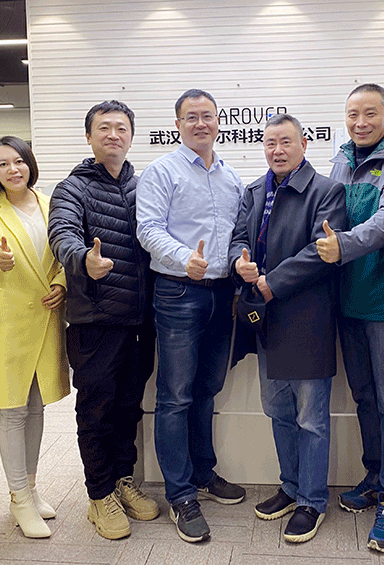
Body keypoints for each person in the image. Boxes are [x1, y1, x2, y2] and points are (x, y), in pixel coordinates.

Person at [316, 84, 384, 553]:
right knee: (364, 395)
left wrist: (341, 245)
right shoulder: (341, 158)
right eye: (352, 114)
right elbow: (327, 215)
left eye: (370, 114)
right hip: (348, 296)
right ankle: (376, 475)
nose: (360, 122)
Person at [229, 114, 346, 543]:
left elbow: (322, 251)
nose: (277, 151)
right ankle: (291, 486)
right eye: (270, 143)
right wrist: (239, 261)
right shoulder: (254, 191)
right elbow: (239, 238)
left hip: (307, 319)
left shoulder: (327, 191)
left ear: (303, 145)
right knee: (277, 410)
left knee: (310, 418)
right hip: (266, 320)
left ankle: (312, 501)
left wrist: (271, 282)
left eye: (286, 142)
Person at [137, 89, 245, 543]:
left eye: (208, 116)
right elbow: (148, 229)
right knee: (176, 396)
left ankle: (203, 473)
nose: (201, 124)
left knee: (207, 389)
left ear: (219, 121)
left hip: (222, 293)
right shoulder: (162, 171)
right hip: (179, 291)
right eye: (191, 117)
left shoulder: (231, 176)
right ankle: (180, 494)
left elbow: (238, 233)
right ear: (178, 124)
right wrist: (185, 258)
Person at [48, 101, 159, 541]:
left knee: (129, 407)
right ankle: (99, 495)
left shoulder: (144, 185)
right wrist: (82, 260)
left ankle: (122, 480)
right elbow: (62, 234)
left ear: (131, 135)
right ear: (89, 136)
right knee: (96, 411)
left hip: (139, 322)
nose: (113, 134)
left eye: (121, 128)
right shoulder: (72, 188)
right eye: (104, 128)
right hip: (94, 322)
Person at [0, 136, 70, 538]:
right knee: (14, 410)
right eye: (3, 164)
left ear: (30, 163)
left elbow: (65, 251)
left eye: (18, 161)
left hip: (46, 318)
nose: (13, 169)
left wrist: (62, 282)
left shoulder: (51, 203)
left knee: (37, 405)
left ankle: (30, 487)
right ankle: (19, 498)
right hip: (8, 324)